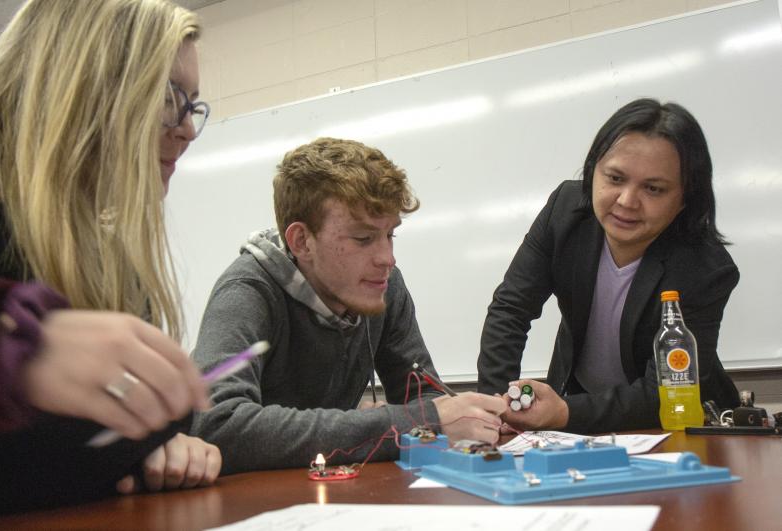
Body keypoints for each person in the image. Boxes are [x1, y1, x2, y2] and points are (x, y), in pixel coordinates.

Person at [0, 0, 221, 523]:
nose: (186, 129)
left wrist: (163, 448)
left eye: (192, 105)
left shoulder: (108, 252)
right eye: (166, 97)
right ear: (80, 83)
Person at [191, 137, 507, 474]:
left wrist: (456, 418)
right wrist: (404, 422)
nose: (387, 258)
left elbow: (424, 399)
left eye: (390, 235)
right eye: (363, 238)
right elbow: (218, 424)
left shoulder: (385, 287)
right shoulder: (248, 291)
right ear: (302, 241)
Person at [477, 98, 740, 434]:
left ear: (684, 199)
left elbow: (666, 390)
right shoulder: (565, 212)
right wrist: (496, 408)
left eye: (653, 188)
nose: (627, 201)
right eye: (615, 178)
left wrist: (564, 412)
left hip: (674, 426)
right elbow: (510, 310)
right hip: (580, 414)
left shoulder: (706, 268)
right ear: (593, 171)